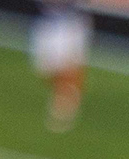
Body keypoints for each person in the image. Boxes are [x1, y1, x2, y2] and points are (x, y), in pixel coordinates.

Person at [30, 0, 89, 128]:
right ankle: (67, 95)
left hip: (68, 22)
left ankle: (67, 102)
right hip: (46, 21)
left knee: (68, 66)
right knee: (45, 71)